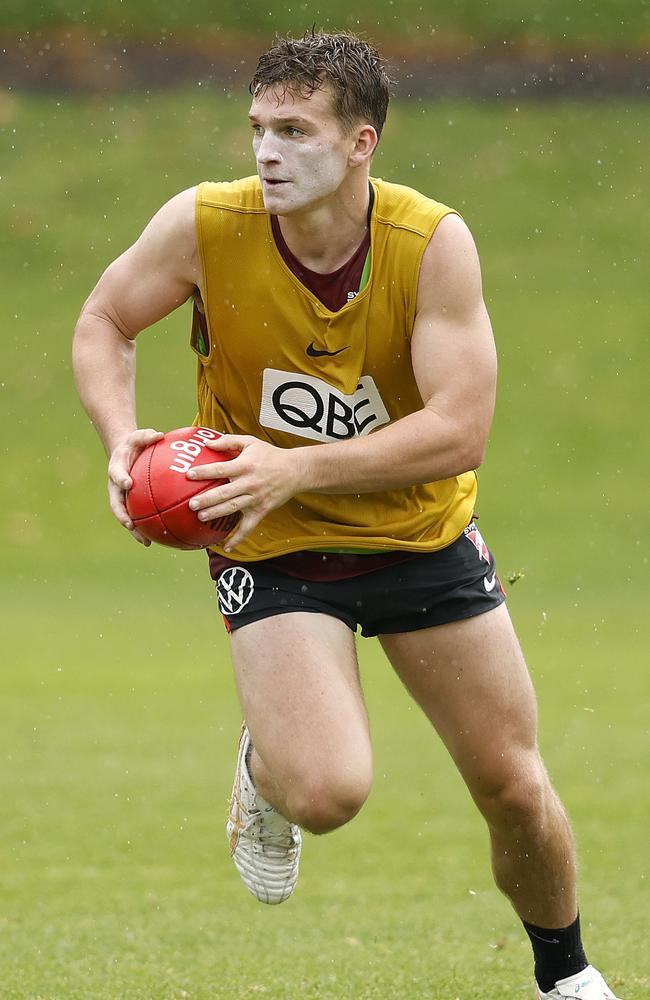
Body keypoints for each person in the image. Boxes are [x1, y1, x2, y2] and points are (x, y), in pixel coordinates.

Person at [72, 30, 621, 1000]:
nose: (267, 152)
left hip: (416, 533)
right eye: (256, 128)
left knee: (509, 783)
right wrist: (121, 433)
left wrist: (298, 466)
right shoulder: (204, 225)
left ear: (360, 142)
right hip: (270, 539)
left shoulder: (427, 242)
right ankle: (271, 766)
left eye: (294, 130)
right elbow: (105, 319)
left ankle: (564, 976)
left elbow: (459, 430)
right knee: (325, 791)